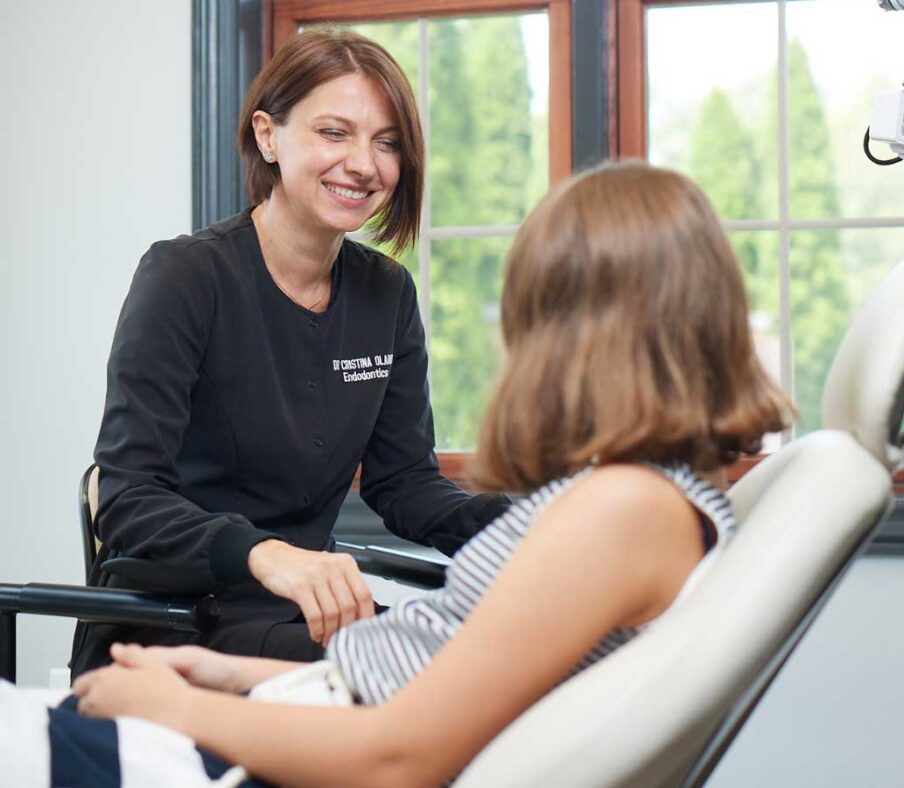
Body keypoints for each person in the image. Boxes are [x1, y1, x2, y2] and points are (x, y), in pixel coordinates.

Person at [0, 161, 792, 787]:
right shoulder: (640, 499)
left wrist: (178, 707)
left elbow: (395, 758)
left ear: (576, 328)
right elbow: (421, 677)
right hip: (281, 702)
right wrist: (221, 671)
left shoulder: (623, 510)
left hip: (271, 757)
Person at [72, 29, 512, 676]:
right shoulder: (184, 278)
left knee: (472, 669)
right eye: (334, 133)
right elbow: (129, 499)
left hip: (301, 623)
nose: (364, 163)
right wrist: (266, 555)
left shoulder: (386, 295)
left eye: (386, 142)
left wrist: (526, 527)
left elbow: (406, 487)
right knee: (429, 685)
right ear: (268, 136)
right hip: (171, 628)